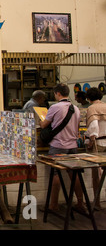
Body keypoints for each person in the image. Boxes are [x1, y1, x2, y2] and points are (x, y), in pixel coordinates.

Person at [40, 83, 85, 212]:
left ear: (58, 94)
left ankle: (53, 205)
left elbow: (44, 125)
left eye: (55, 93)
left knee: (55, 173)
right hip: (72, 146)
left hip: (58, 145)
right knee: (74, 173)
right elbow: (77, 128)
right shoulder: (75, 108)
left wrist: (40, 122)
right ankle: (80, 203)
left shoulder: (55, 107)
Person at [85, 87, 106, 209]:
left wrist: (90, 141)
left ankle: (97, 203)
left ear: (88, 98)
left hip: (97, 143)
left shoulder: (92, 108)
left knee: (96, 175)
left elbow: (93, 127)